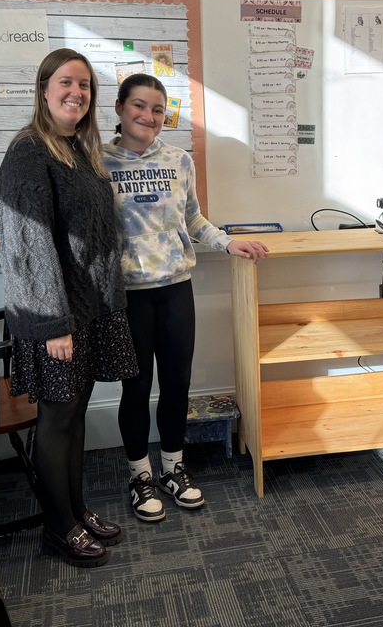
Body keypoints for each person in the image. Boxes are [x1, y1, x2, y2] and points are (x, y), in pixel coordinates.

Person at [103, 73, 268, 522]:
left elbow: (193, 219)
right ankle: (140, 475)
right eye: (139, 106)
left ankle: (174, 467)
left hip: (176, 290)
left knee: (178, 384)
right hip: (128, 295)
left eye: (158, 109)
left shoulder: (178, 160)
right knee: (135, 388)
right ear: (119, 109)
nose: (149, 116)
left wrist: (228, 243)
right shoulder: (96, 162)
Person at [0, 48, 139, 567]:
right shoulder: (30, 152)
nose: (76, 92)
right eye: (66, 82)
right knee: (56, 420)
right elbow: (28, 244)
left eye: (85, 85)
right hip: (53, 318)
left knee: (74, 416)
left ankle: (75, 511)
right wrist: (54, 324)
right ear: (43, 88)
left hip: (86, 309)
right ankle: (58, 529)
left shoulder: (75, 148)